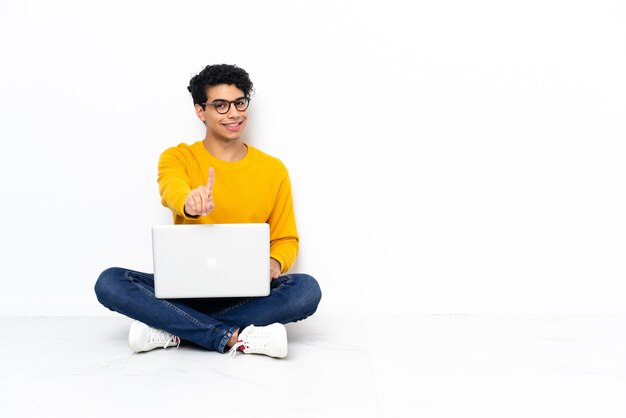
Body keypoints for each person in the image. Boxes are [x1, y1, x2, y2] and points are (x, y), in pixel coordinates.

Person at [94, 64, 322, 359]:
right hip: (183, 291)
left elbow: (286, 239)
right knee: (110, 282)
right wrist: (189, 202)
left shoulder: (273, 170)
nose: (234, 113)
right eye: (221, 105)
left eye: (240, 103)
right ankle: (234, 337)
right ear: (201, 111)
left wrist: (274, 264)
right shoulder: (178, 157)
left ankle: (174, 329)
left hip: (245, 292)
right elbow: (171, 188)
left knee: (306, 289)